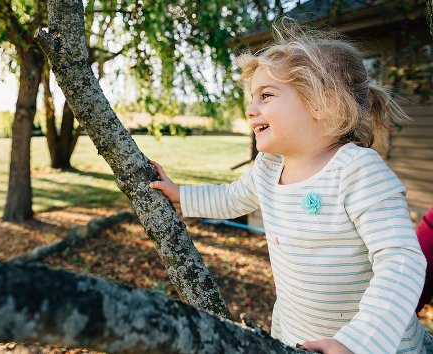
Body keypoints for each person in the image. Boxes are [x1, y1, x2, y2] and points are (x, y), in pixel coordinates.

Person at [150, 20, 430, 354]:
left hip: (370, 346)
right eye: (252, 98)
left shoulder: (359, 171)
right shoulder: (269, 168)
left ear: (323, 104)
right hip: (297, 332)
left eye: (266, 96)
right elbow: (231, 198)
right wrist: (181, 195)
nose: (251, 110)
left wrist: (356, 343)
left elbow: (401, 261)